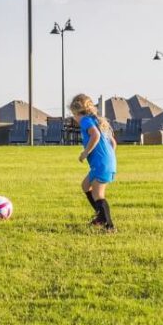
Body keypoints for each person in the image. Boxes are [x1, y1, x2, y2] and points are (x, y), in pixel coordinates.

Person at [69, 94, 117, 231]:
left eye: (74, 115)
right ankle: (100, 216)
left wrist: (86, 152)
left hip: (102, 164)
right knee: (85, 186)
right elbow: (113, 143)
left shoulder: (85, 121)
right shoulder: (98, 120)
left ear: (78, 112)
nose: (74, 119)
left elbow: (95, 135)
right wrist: (108, 157)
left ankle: (109, 226)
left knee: (98, 195)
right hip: (107, 163)